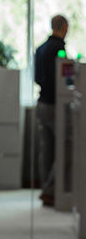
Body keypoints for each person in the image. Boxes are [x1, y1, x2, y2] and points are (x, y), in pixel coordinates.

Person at [34, 14, 68, 206]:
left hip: (41, 103)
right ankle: (50, 189)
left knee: (47, 150)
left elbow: (38, 77)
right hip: (55, 105)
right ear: (64, 27)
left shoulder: (40, 49)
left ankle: (47, 189)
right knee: (64, 147)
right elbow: (62, 80)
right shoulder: (58, 48)